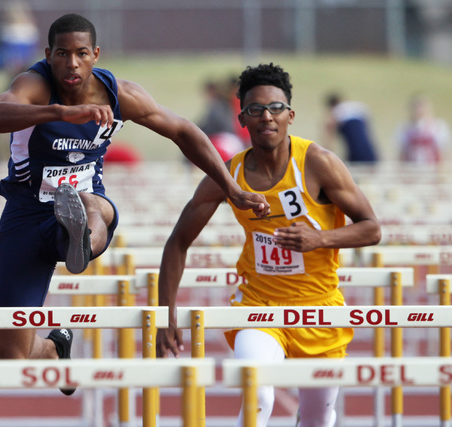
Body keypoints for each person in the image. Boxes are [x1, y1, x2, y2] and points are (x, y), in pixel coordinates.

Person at [0, 13, 268, 396]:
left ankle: (81, 236)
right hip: (27, 214)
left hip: (88, 202)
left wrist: (231, 187)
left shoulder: (118, 94)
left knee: (90, 202)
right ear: (48, 55)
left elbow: (181, 130)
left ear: (96, 54)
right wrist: (61, 113)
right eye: (62, 54)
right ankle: (53, 347)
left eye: (81, 53)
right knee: (10, 363)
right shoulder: (34, 84)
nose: (72, 63)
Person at [156, 63, 381, 426]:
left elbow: (372, 228)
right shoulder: (229, 175)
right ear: (242, 118)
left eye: (276, 108)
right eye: (256, 110)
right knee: (257, 391)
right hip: (258, 306)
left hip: (318, 306)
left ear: (290, 115)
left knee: (316, 418)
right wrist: (165, 314)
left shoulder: (319, 163)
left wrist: (319, 238)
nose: (267, 117)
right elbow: (178, 242)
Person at [396, 93, 452, 166]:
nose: (419, 110)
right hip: (412, 172)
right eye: (416, 106)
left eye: (422, 106)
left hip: (433, 171)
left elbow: (447, 152)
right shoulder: (404, 128)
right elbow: (400, 154)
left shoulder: (439, 127)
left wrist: (445, 170)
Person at [323, 92, 378, 163]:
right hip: (370, 153)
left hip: (355, 154)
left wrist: (326, 155)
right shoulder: (360, 107)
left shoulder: (336, 111)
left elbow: (329, 134)